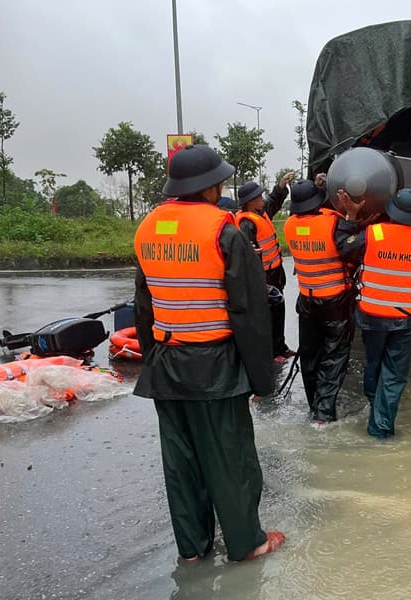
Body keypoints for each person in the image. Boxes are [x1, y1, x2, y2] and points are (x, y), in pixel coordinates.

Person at [132, 144, 285, 563]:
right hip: (215, 368)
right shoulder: (224, 231)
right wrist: (260, 379)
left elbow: (144, 306)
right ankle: (248, 543)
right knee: (231, 459)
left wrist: (152, 362)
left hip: (166, 367)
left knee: (181, 464)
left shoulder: (147, 228)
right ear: (212, 186)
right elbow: (249, 312)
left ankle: (193, 551)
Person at [336, 188, 411, 439]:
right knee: (394, 375)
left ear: (391, 211)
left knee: (374, 365)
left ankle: (375, 411)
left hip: (372, 316)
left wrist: (350, 218)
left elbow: (345, 250)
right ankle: (381, 427)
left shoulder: (373, 233)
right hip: (404, 319)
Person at [282, 179, 357, 424]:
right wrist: (353, 216)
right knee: (334, 357)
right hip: (335, 302)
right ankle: (324, 414)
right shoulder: (334, 223)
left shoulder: (291, 225)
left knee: (310, 356)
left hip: (307, 301)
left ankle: (314, 404)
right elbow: (351, 249)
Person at [235, 172, 296, 363]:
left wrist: (280, 186)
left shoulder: (261, 213)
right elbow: (247, 252)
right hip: (263, 276)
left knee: (279, 311)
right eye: (258, 197)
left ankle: (280, 346)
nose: (262, 199)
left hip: (275, 272)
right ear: (250, 201)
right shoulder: (246, 223)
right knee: (267, 315)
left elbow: (273, 201)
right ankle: (271, 352)